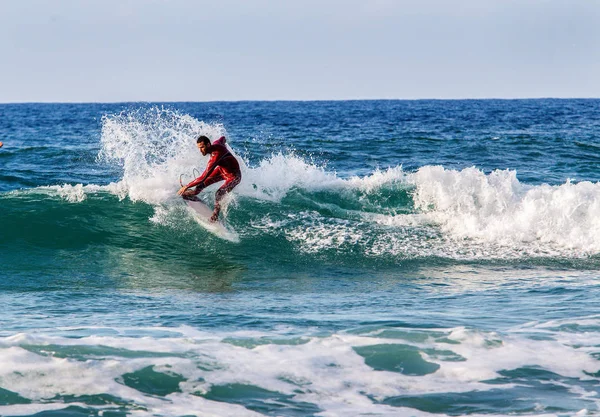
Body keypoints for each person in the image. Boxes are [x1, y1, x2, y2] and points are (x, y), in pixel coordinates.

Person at [177, 135, 241, 222]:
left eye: (202, 147)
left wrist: (186, 186)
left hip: (234, 176)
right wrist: (225, 145)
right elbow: (223, 138)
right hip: (221, 171)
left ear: (208, 145)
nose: (200, 150)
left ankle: (215, 217)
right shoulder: (216, 143)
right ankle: (192, 194)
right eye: (199, 148)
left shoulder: (216, 155)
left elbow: (203, 177)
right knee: (200, 186)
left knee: (219, 193)